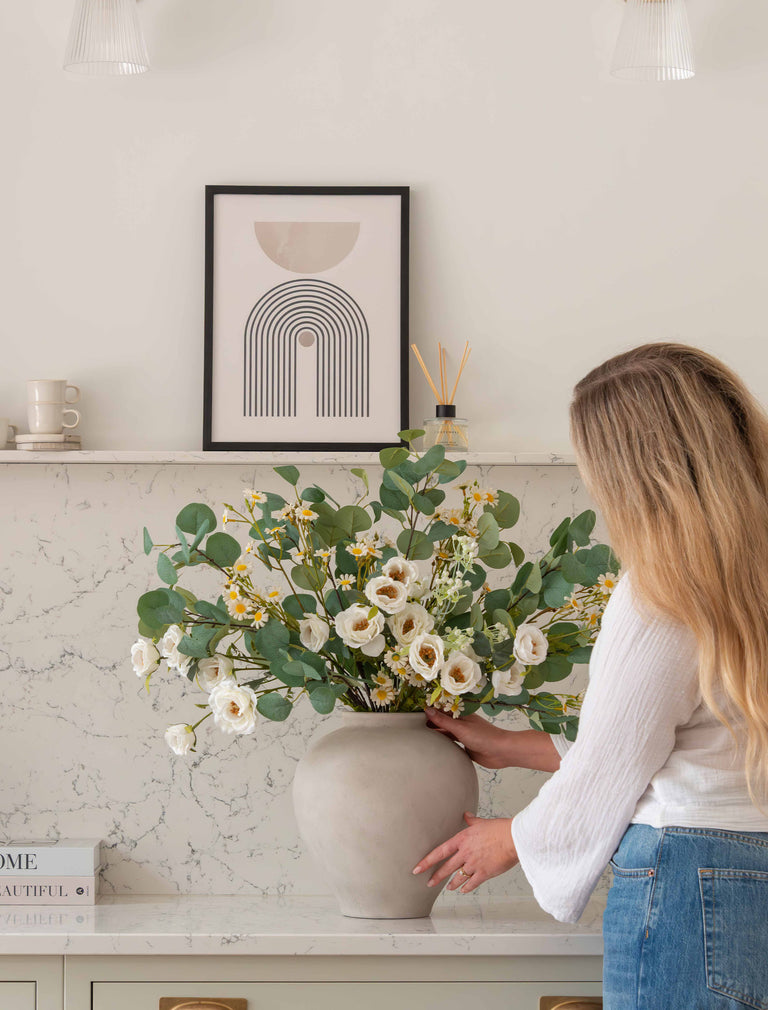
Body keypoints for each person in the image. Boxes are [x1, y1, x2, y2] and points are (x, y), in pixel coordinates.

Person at [413, 342, 768, 1009]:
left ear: (634, 474)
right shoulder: (751, 574)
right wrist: (520, 747)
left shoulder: (663, 592)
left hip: (687, 885)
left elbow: (617, 762)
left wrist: (513, 837)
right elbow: (705, 751)